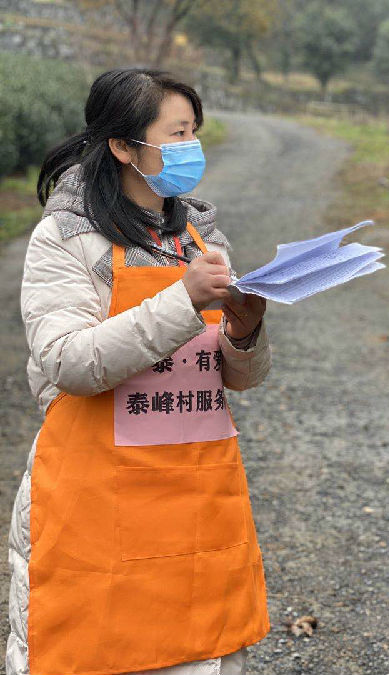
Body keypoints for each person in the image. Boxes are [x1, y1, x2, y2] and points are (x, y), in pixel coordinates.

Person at [7, 69, 271, 675]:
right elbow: (69, 362)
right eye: (175, 135)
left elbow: (240, 377)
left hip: (198, 494)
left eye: (194, 134)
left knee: (200, 647)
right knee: (101, 650)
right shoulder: (66, 238)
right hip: (99, 500)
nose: (190, 149)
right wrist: (183, 301)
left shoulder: (201, 235)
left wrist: (246, 329)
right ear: (124, 147)